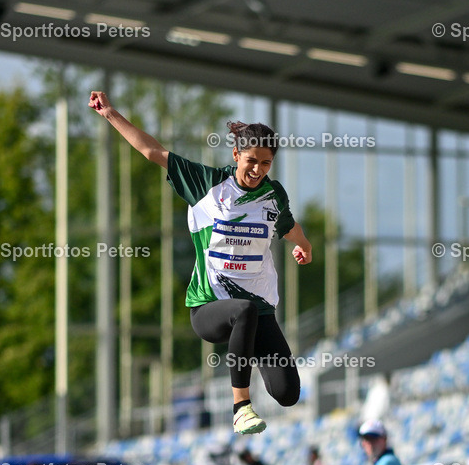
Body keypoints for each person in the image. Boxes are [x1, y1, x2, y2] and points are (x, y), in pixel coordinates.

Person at [89, 91, 313, 435]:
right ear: (236, 154)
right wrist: (110, 114)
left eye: (265, 163)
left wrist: (304, 245)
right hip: (209, 308)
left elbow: (287, 224)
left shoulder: (273, 194)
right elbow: (153, 152)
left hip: (260, 310)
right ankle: (240, 406)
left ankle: (247, 344)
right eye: (251, 160)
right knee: (243, 312)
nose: (257, 170)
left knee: (287, 394)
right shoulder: (207, 184)